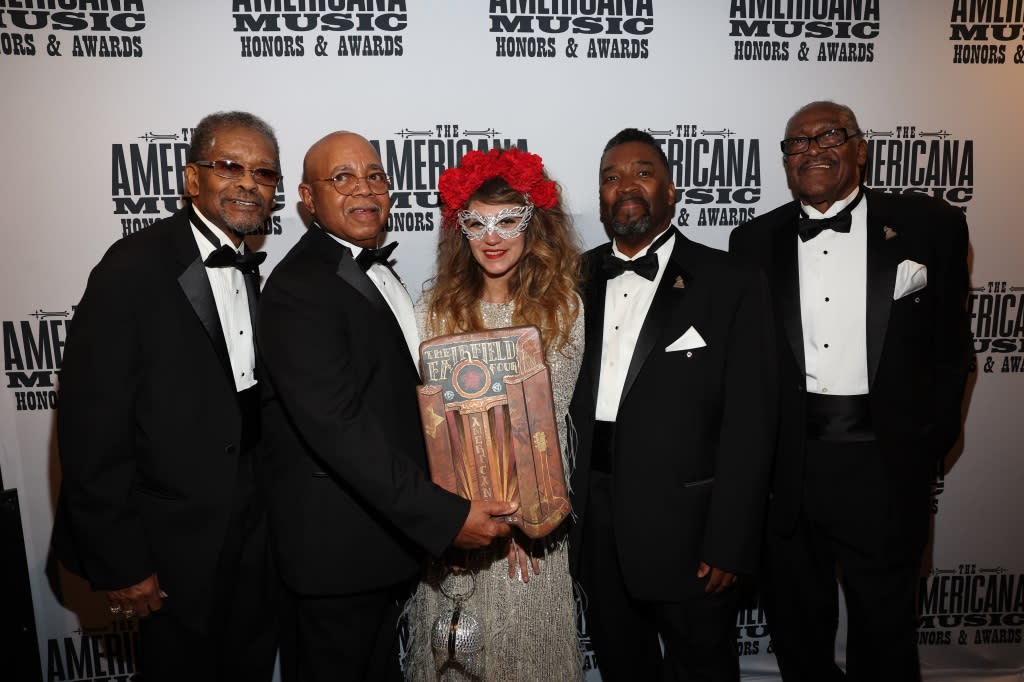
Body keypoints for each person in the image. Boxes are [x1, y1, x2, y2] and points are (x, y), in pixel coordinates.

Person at [258, 131, 516, 682]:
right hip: (336, 560)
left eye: (375, 175)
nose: (364, 189)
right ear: (307, 197)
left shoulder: (367, 270)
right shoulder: (300, 288)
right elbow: (340, 430)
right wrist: (444, 518)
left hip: (381, 547)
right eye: (342, 177)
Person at [729, 101, 971, 681]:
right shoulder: (752, 242)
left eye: (828, 135)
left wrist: (925, 447)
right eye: (796, 143)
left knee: (885, 628)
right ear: (785, 161)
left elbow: (953, 349)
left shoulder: (930, 225)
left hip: (886, 465)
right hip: (790, 470)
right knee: (797, 626)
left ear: (860, 148)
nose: (812, 149)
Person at [51, 111, 281, 681]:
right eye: (229, 166)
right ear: (191, 179)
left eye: (264, 173)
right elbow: (89, 429)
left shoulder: (251, 267)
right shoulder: (130, 269)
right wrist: (123, 559)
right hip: (171, 545)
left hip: (254, 533)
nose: (248, 183)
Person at [567, 128, 776, 681]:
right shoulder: (569, 279)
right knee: (620, 661)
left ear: (672, 189)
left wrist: (730, 539)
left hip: (690, 526)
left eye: (641, 172)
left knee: (701, 666)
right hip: (594, 519)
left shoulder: (730, 281)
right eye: (610, 178)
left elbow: (752, 424)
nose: (625, 186)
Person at [404, 147, 585, 682]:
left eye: (509, 220)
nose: (493, 236)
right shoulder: (429, 310)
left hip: (532, 527)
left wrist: (527, 521)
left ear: (535, 225)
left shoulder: (562, 310)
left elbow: (545, 427)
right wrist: (453, 522)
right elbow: (432, 430)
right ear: (460, 228)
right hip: (455, 526)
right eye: (477, 222)